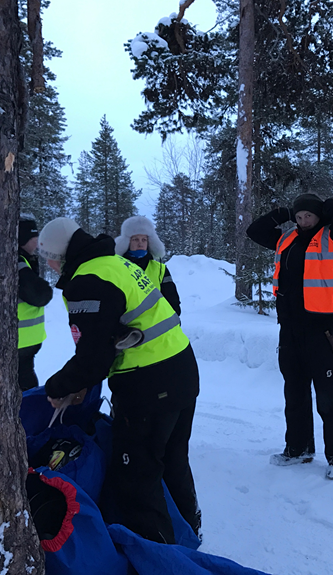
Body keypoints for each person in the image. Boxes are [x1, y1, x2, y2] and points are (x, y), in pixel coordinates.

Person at [37, 217, 201, 543]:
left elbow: (93, 357)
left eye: (49, 258)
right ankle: (188, 534)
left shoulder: (88, 279)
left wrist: (58, 388)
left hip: (148, 385)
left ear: (61, 254)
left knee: (137, 477)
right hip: (181, 368)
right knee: (172, 460)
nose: (50, 265)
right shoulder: (113, 263)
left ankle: (159, 558)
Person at [246, 193, 333, 480]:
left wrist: (327, 208)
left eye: (308, 215)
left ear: (318, 216)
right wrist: (283, 212)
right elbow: (255, 231)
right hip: (290, 328)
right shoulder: (286, 239)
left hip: (322, 330)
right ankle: (298, 448)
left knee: (329, 396)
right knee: (294, 392)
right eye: (299, 217)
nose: (303, 221)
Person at [114, 215, 181, 315]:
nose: (140, 244)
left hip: (157, 325)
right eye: (135, 239)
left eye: (144, 240)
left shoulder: (160, 270)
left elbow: (173, 304)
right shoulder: (117, 269)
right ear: (127, 242)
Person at [18, 214, 53, 391]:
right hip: (18, 342)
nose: (38, 242)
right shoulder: (17, 262)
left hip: (24, 342)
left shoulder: (25, 260)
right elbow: (40, 295)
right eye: (34, 237)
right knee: (24, 388)